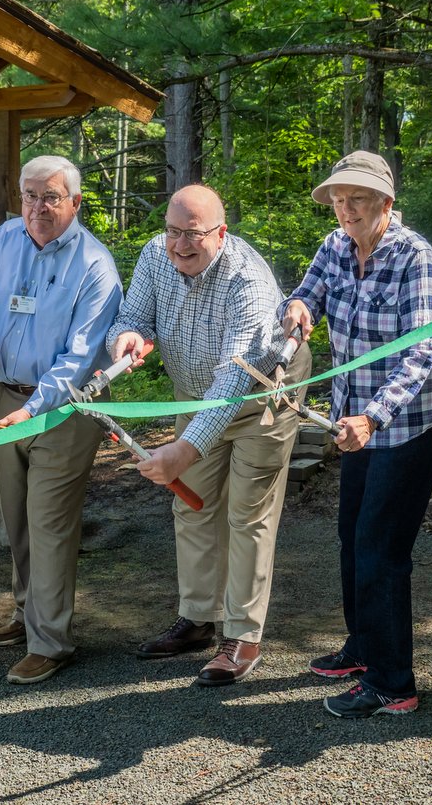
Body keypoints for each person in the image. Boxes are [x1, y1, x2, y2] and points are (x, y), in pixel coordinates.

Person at [107, 184, 311, 687]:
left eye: (192, 235)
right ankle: (198, 619)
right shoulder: (157, 253)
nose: (179, 245)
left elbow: (234, 378)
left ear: (220, 233)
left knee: (248, 514)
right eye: (173, 232)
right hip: (197, 399)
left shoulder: (250, 282)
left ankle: (243, 636)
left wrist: (183, 449)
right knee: (191, 504)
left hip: (260, 396)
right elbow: (134, 316)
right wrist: (127, 337)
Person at [281, 151, 432, 718]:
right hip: (353, 422)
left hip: (403, 424)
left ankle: (392, 681)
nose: (346, 209)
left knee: (381, 549)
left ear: (386, 203)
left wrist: (373, 416)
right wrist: (299, 308)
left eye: (357, 199)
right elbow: (306, 294)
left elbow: (421, 352)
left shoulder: (413, 255)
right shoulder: (334, 246)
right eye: (338, 200)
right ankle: (363, 647)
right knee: (352, 539)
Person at [0, 155, 122, 685]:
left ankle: (51, 641)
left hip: (64, 410)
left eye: (50, 197)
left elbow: (79, 358)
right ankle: (28, 613)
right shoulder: (3, 240)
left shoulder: (96, 266)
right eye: (29, 196)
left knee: (49, 521)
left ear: (74, 202)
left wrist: (31, 409)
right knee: (18, 516)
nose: (38, 208)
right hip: (5, 398)